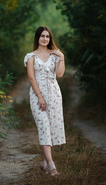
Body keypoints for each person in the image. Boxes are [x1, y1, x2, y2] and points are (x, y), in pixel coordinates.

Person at [24, 26, 66, 176]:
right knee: (43, 126)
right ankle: (51, 165)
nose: (45, 39)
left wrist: (61, 56)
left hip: (54, 94)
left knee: (51, 128)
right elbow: (31, 78)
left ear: (50, 39)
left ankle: (43, 161)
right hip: (37, 95)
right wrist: (40, 97)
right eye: (42, 36)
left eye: (47, 36)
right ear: (37, 38)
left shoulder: (54, 55)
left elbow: (60, 74)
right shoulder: (30, 57)